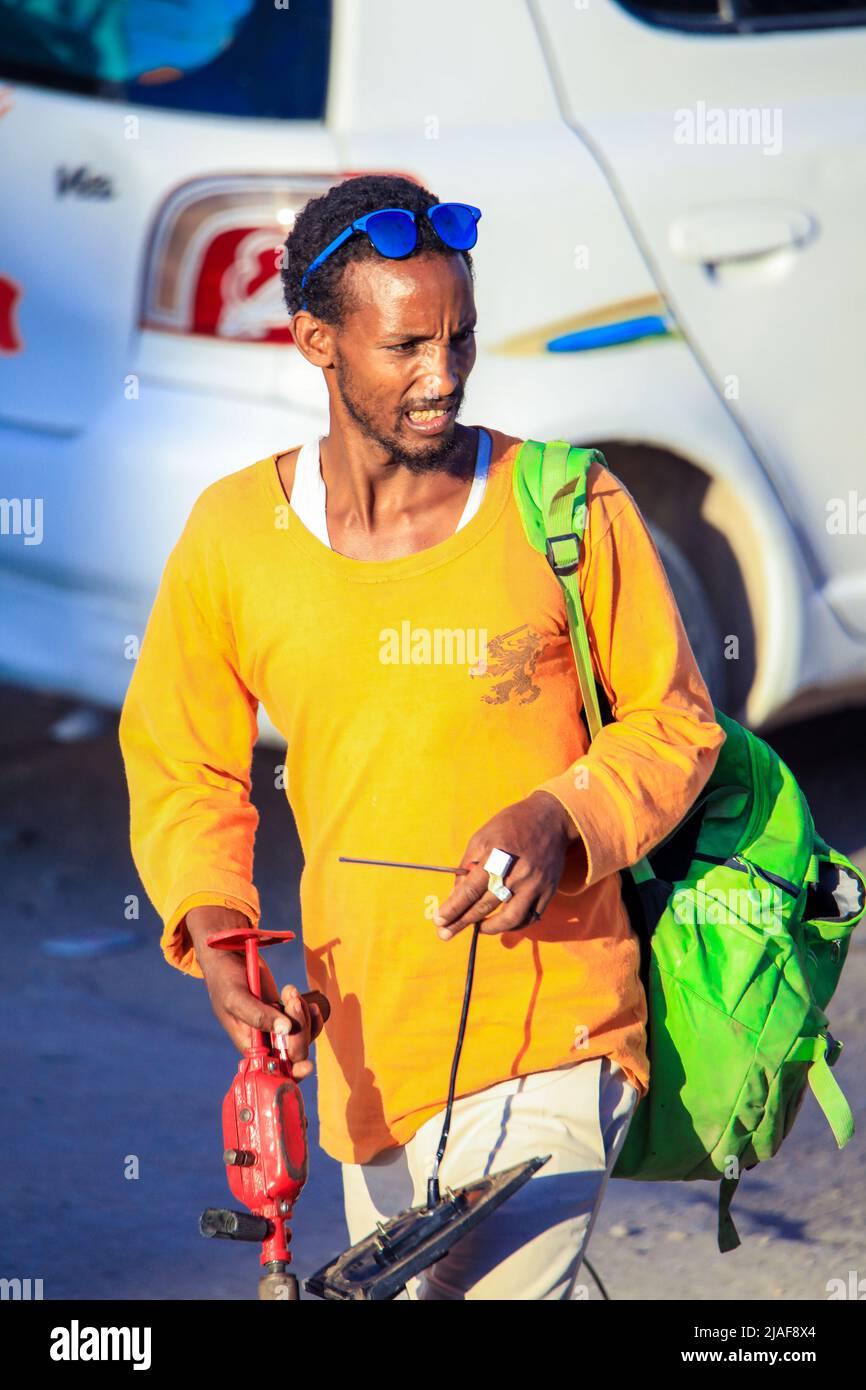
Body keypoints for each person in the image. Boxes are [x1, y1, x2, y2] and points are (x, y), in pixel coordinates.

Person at [118, 172, 726, 1300]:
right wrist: (221, 937)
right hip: (364, 1055)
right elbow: (183, 763)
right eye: (405, 346)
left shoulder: (566, 507)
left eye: (460, 337)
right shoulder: (231, 540)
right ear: (317, 343)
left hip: (556, 1024)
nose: (441, 376)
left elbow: (675, 721)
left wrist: (560, 815)